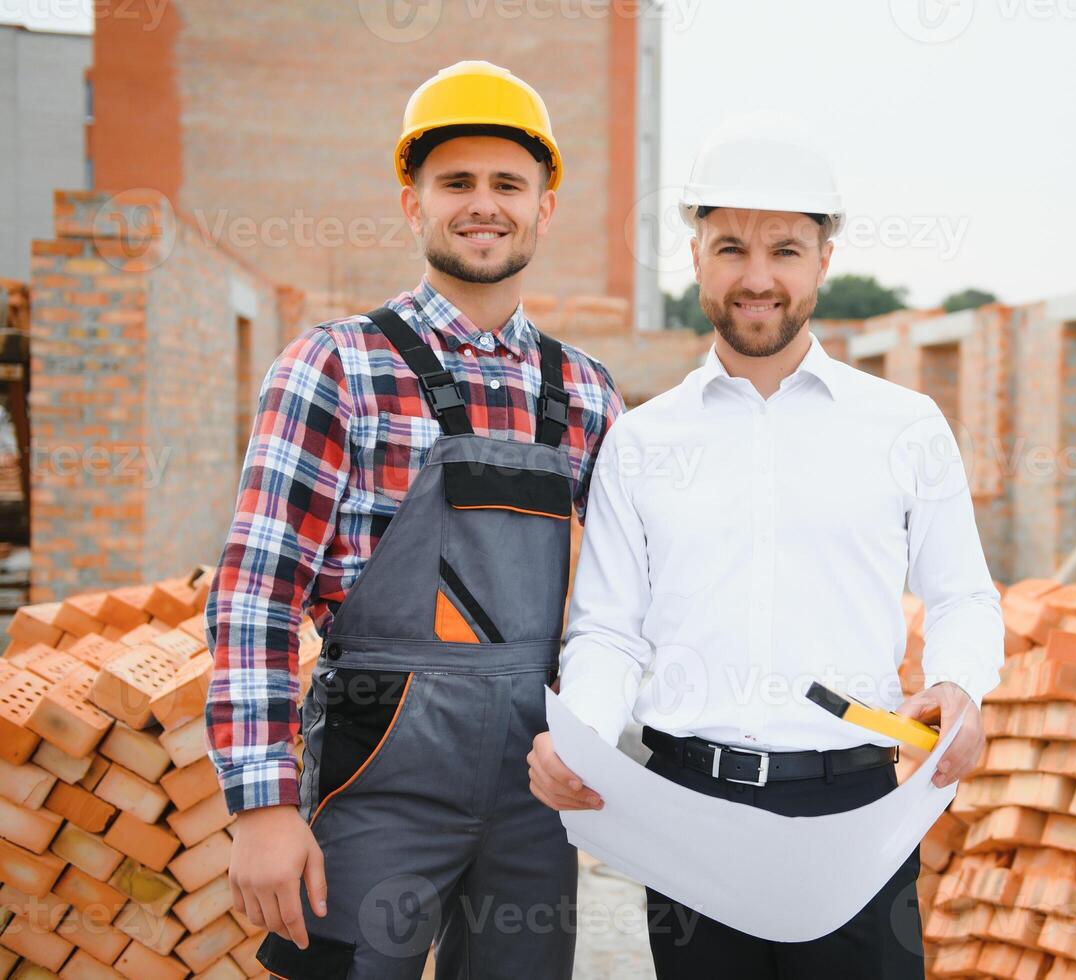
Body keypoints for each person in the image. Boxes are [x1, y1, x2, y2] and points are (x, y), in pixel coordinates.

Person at [527, 114, 1004, 979]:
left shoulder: (903, 427)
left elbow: (963, 596)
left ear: (824, 259)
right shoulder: (642, 441)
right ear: (696, 257)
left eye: (784, 250)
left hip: (854, 812)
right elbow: (608, 631)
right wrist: (585, 736)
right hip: (688, 811)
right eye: (730, 248)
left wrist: (962, 686)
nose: (756, 278)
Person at [205, 61, 623, 979]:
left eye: (508, 184)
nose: (484, 205)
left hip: (530, 791)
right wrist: (263, 805)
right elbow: (255, 599)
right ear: (412, 202)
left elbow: (630, 598)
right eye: (456, 184)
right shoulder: (337, 365)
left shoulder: (587, 394)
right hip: (374, 782)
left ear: (544, 206)